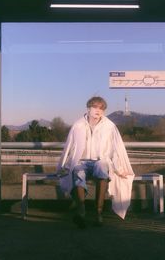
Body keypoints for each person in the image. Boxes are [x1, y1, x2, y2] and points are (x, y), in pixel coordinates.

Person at [57, 96, 134, 228]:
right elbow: (70, 147)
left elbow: (115, 149)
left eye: (102, 108)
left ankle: (99, 212)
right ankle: (81, 209)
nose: (98, 111)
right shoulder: (78, 125)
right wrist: (65, 165)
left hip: (100, 160)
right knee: (78, 171)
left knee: (102, 168)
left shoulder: (109, 127)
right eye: (95, 107)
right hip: (82, 161)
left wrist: (119, 168)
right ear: (88, 108)